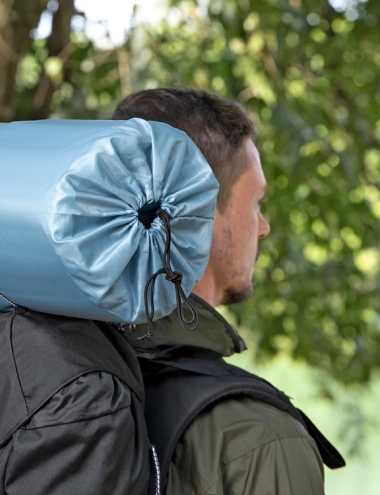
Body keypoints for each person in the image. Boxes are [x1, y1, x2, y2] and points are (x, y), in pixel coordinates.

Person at [113, 87, 344, 494]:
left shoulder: (63, 365)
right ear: (202, 211)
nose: (263, 227)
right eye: (255, 202)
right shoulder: (259, 438)